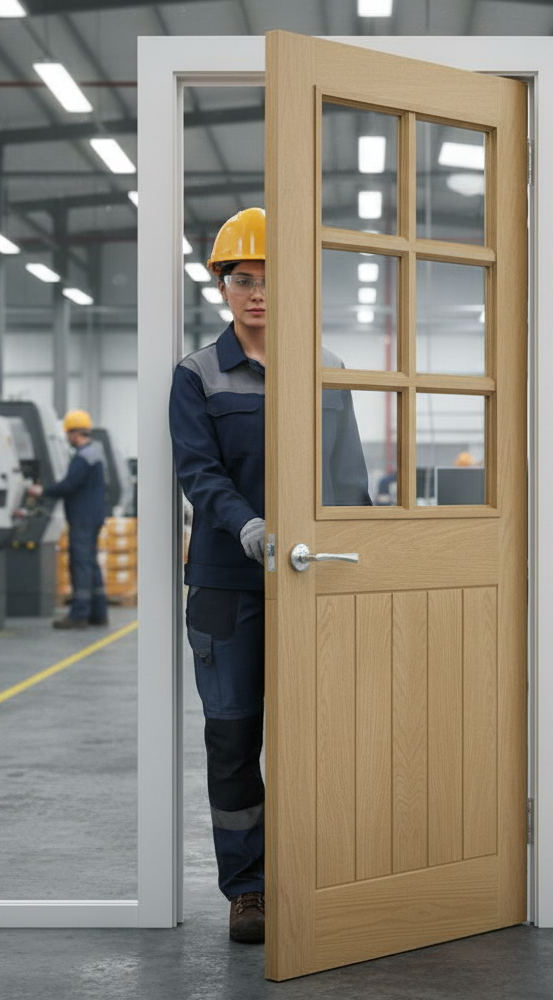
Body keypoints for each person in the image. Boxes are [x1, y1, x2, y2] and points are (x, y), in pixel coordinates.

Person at [168, 207, 371, 945]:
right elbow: (199, 472)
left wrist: (367, 554)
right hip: (227, 584)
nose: (256, 294)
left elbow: (347, 477)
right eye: (241, 279)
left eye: (269, 279)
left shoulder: (328, 370)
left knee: (319, 733)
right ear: (222, 285)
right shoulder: (197, 375)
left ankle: (317, 871)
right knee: (233, 738)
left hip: (310, 577)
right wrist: (247, 525)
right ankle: (248, 887)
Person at [26, 409, 108, 629]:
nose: (68, 438)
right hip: (93, 516)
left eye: (68, 434)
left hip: (82, 518)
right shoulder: (95, 454)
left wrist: (41, 491)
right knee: (90, 564)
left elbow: (68, 485)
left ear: (74, 432)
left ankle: (79, 615)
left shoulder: (82, 458)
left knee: (80, 564)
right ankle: (98, 613)